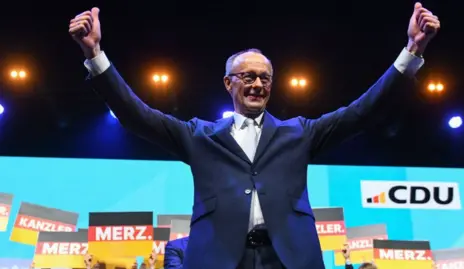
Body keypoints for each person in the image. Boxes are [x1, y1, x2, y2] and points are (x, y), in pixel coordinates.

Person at [68, 3, 440, 268]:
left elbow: (363, 111)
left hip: (290, 258)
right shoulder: (199, 136)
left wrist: (412, 51)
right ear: (229, 83)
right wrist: (95, 55)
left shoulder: (300, 133)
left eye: (265, 78)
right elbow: (138, 116)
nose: (258, 84)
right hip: (217, 259)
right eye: (248, 76)